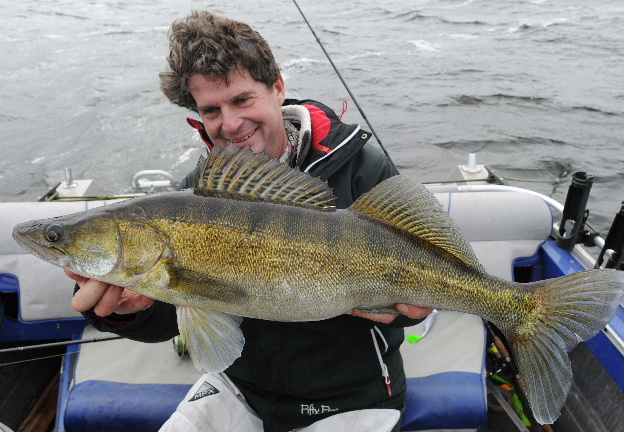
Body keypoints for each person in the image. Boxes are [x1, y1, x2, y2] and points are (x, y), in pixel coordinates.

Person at [66, 10, 432, 432]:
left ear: (278, 88)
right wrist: (127, 313)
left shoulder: (361, 169)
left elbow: (420, 286)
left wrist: (410, 311)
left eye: (242, 100)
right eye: (211, 110)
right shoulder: (194, 197)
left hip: (350, 396)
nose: (231, 123)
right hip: (239, 388)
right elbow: (172, 314)